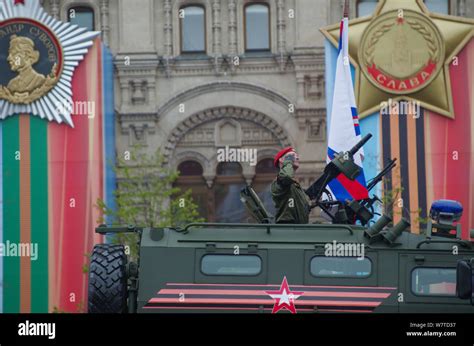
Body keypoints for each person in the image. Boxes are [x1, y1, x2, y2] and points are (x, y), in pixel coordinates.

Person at [271, 147, 311, 224]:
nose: (297, 157)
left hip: (299, 228)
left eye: (296, 155)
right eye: (292, 155)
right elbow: (287, 176)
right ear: (282, 160)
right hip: (287, 228)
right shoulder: (281, 180)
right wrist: (288, 161)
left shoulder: (294, 185)